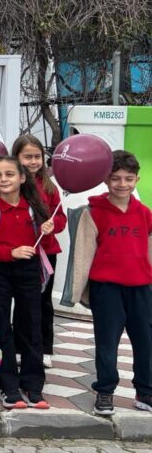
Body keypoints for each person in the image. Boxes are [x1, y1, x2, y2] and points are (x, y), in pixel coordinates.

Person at [67, 150, 152, 416]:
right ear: (106, 179)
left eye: (128, 178)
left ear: (137, 179)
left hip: (141, 288)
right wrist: (77, 292)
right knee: (106, 343)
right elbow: (83, 254)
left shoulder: (145, 214)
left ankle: (145, 391)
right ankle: (105, 391)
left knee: (146, 342)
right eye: (116, 178)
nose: (122, 184)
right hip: (106, 289)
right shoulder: (93, 213)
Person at [0, 156, 55, 410]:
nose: (3, 179)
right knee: (1, 327)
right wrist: (10, 252)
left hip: (29, 271)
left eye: (9, 174)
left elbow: (46, 243)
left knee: (31, 325)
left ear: (22, 177)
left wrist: (48, 230)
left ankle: (33, 386)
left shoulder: (34, 208)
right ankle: (8, 386)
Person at [12, 134, 65, 368]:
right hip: (20, 252)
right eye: (27, 157)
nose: (33, 161)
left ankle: (44, 348)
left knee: (43, 302)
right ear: (16, 158)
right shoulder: (12, 183)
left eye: (37, 156)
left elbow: (60, 218)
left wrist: (53, 225)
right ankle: (18, 347)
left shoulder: (50, 187)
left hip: (46, 253)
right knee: (21, 302)